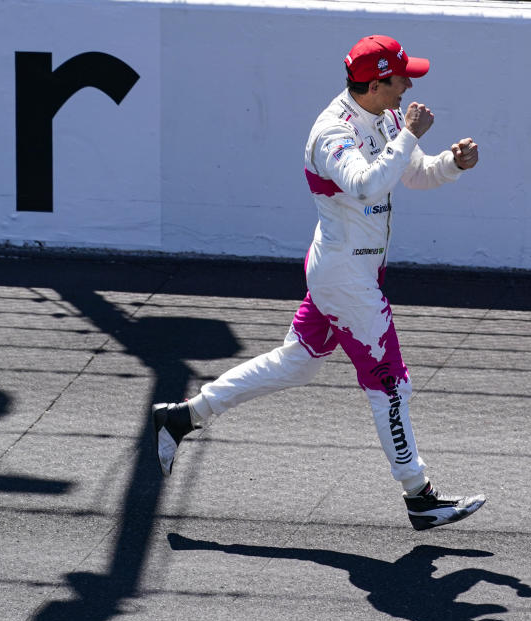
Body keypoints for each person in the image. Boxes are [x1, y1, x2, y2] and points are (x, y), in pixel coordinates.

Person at [151, 35, 485, 531]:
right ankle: (419, 495)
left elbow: (409, 174)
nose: (409, 84)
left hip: (348, 270)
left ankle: (183, 417)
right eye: (401, 77)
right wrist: (410, 136)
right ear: (375, 83)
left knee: (297, 365)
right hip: (346, 277)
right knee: (390, 382)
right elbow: (369, 183)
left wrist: (451, 166)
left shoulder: (387, 117)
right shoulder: (332, 133)